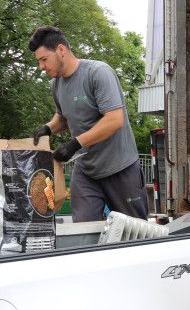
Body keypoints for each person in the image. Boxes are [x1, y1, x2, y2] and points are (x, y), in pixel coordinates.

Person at [28, 26, 148, 222]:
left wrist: (75, 144)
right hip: (86, 173)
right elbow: (62, 117)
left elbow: (114, 119)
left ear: (61, 50)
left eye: (43, 59)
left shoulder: (98, 73)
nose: (41, 66)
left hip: (120, 168)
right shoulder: (56, 85)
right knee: (83, 231)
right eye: (39, 61)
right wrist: (48, 128)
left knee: (134, 231)